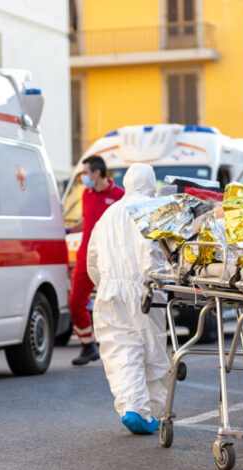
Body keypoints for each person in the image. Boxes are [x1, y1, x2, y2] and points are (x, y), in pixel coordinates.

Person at [86, 163, 168, 434]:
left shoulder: (108, 214)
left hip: (109, 291)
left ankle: (133, 408)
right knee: (152, 351)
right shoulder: (152, 209)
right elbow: (153, 251)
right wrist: (160, 281)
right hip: (143, 289)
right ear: (150, 184)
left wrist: (104, 284)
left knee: (120, 351)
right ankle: (154, 412)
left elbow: (92, 259)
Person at [67, 155, 125, 366]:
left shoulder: (119, 195)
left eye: (85, 172)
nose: (83, 177)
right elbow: (87, 220)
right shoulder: (86, 194)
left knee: (113, 302)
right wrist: (69, 230)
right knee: (75, 302)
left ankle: (119, 347)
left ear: (97, 173)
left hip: (110, 256)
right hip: (85, 254)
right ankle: (88, 345)